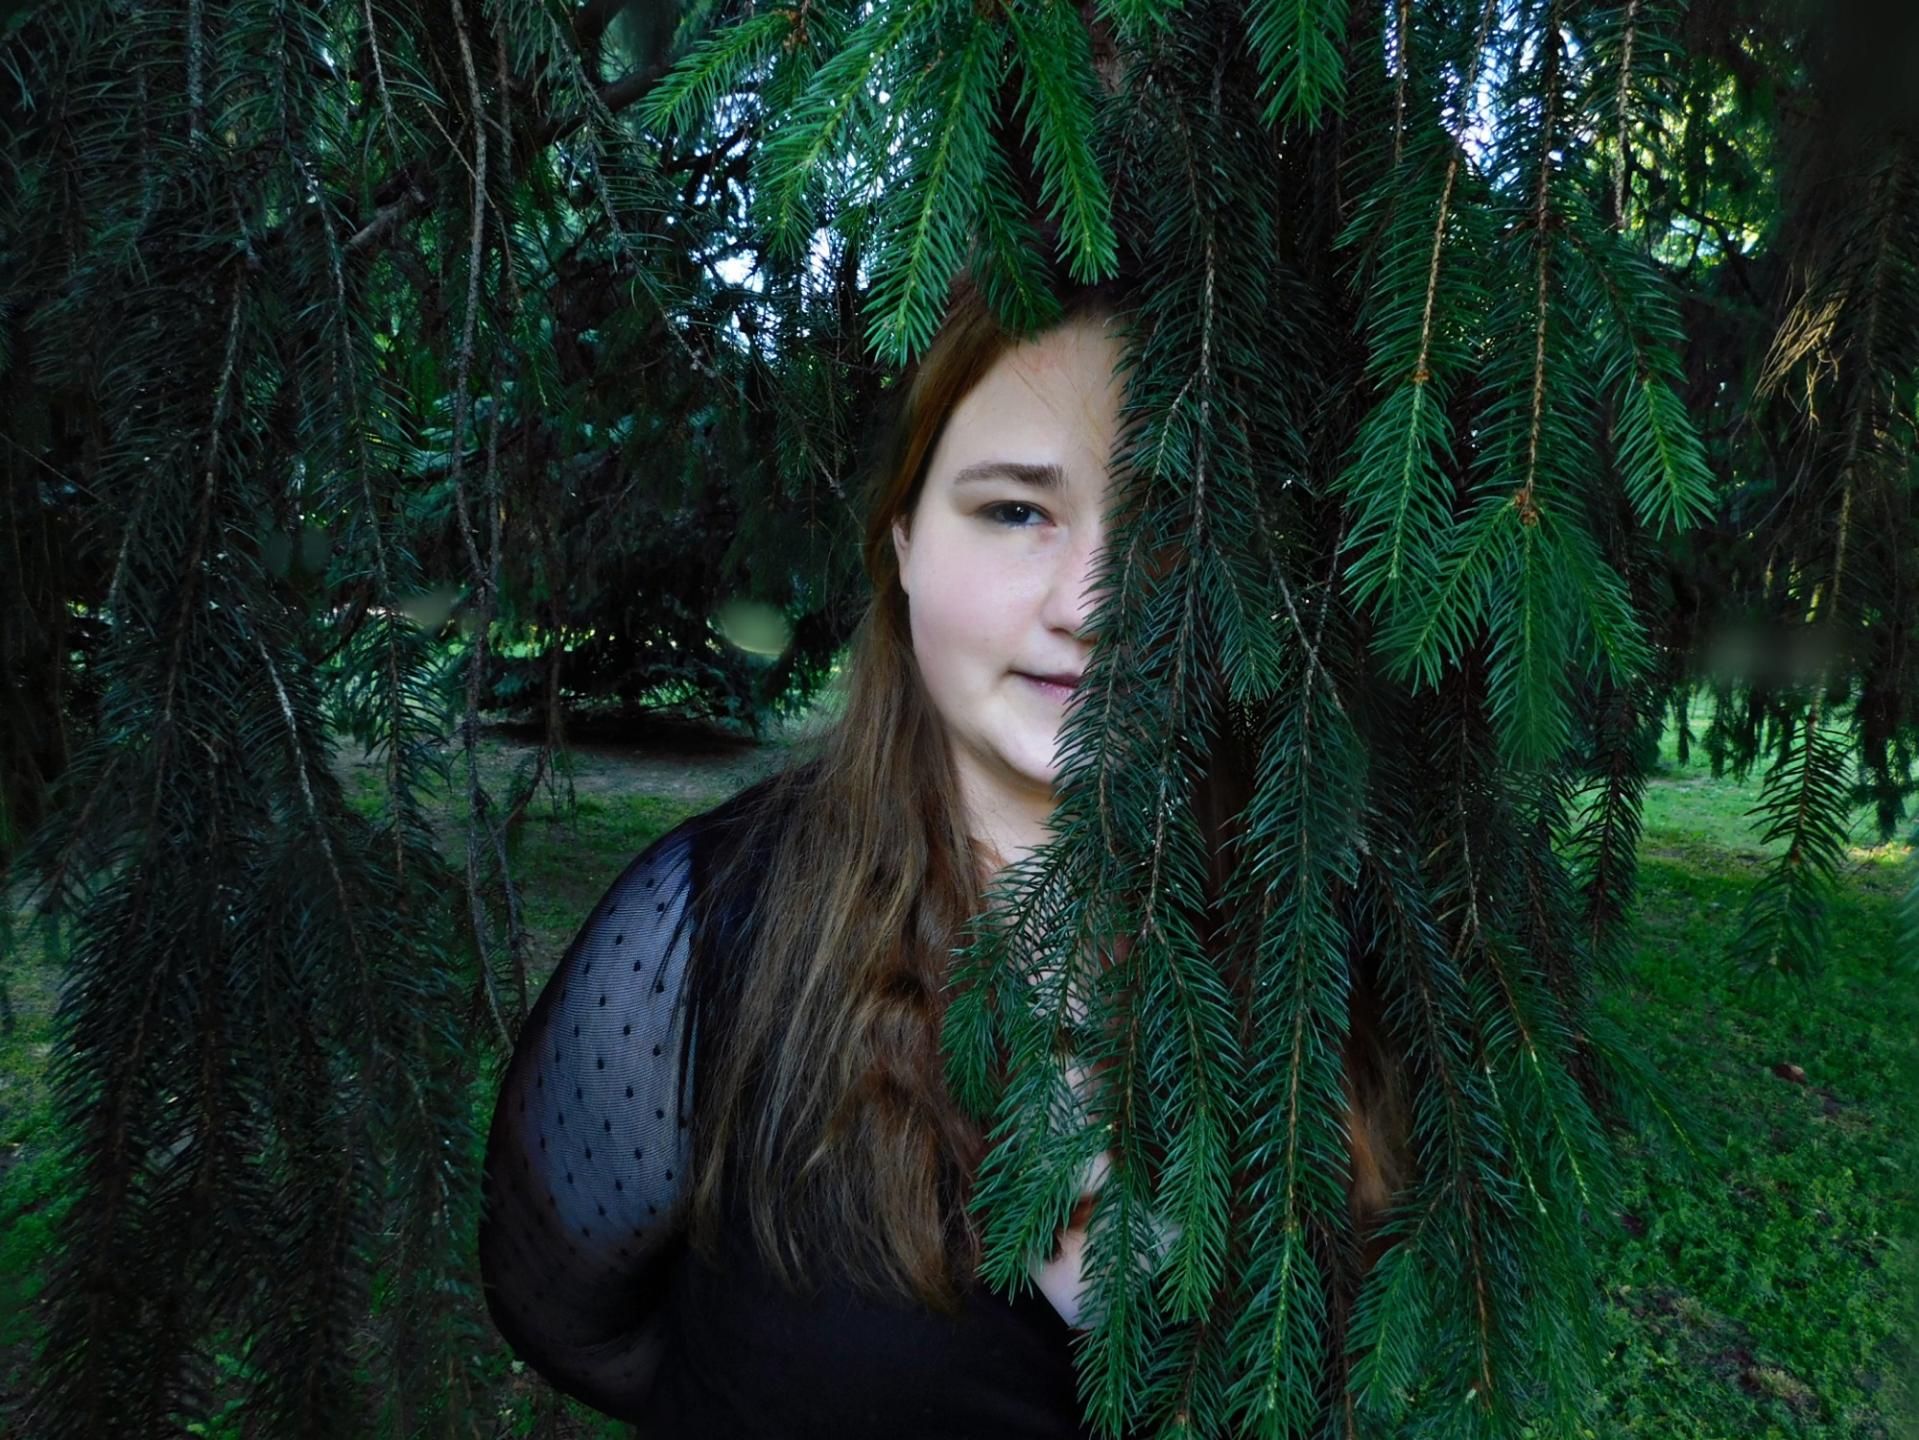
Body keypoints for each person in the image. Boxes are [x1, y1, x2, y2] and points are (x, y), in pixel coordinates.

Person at [476, 265, 1410, 1436]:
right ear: (905, 538)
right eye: (1015, 510)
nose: (1092, 604)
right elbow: (564, 1310)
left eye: (1167, 519)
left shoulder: (1324, 935)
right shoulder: (710, 924)